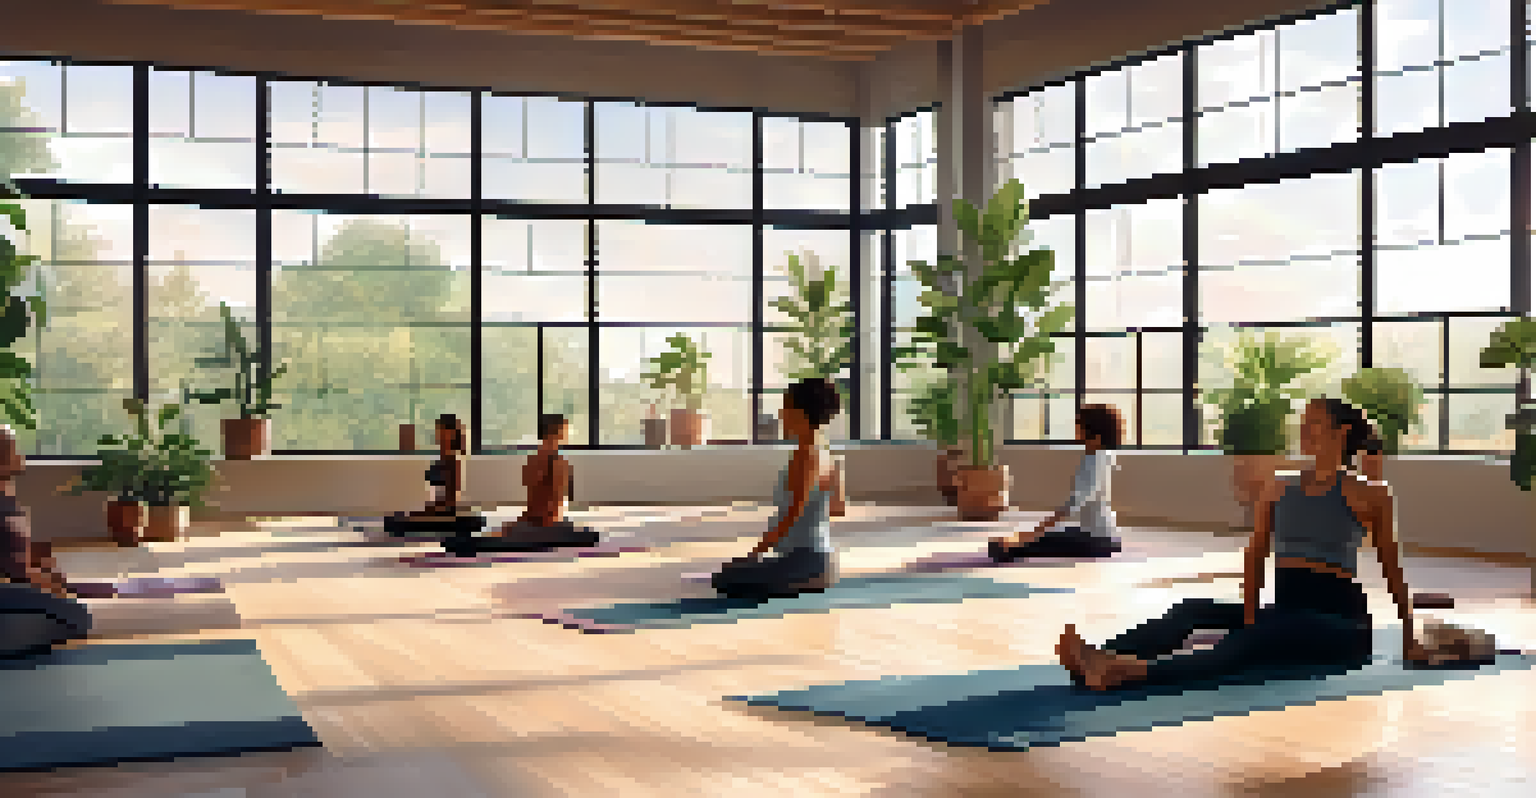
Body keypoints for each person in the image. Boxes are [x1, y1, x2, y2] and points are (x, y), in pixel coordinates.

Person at [1056, 398, 1430, 691]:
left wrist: (1410, 636)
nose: (1304, 432)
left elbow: (1391, 566)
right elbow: (1255, 554)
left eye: (1314, 424)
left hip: (1341, 624)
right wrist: (1250, 613)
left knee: (1250, 643)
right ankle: (1104, 653)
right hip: (1285, 608)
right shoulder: (1280, 485)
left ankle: (1127, 672)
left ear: (1341, 432)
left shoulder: (1371, 493)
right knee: (1192, 609)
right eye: (1302, 425)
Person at [711, 378, 841, 600]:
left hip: (807, 563)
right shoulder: (826, 452)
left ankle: (805, 580)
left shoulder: (807, 454)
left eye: (786, 407)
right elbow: (838, 508)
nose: (781, 414)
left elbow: (793, 513)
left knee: (724, 578)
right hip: (816, 558)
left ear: (801, 413)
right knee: (733, 572)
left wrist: (756, 554)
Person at [442, 413, 598, 556]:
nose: (568, 434)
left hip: (534, 519)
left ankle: (462, 541)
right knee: (588, 534)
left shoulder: (534, 458)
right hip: (545, 523)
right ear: (559, 432)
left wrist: (526, 520)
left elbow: (535, 496)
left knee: (509, 534)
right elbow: (554, 502)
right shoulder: (558, 461)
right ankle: (464, 541)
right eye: (566, 429)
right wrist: (542, 525)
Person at [987, 404, 1125, 561]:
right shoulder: (1102, 456)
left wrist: (1034, 533)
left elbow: (1072, 505)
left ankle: (1011, 547)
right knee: (1052, 535)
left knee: (1017, 546)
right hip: (1102, 535)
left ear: (1095, 434)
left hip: (1096, 540)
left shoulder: (1095, 461)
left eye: (1080, 427)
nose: (1076, 431)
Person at [0, 426, 91, 658]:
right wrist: (49, 584)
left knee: (69, 613)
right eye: (12, 449)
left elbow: (16, 555)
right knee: (79, 616)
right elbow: (16, 568)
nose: (20, 455)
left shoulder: (9, 501)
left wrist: (45, 570)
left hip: (13, 588)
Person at [383, 414, 486, 536]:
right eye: (438, 431)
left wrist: (425, 512)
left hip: (452, 515)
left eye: (442, 431)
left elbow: (451, 503)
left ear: (452, 434)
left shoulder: (455, 459)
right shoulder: (442, 458)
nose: (438, 435)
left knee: (397, 522)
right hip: (440, 510)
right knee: (395, 518)